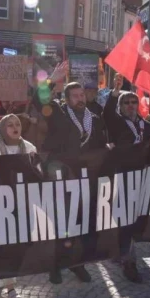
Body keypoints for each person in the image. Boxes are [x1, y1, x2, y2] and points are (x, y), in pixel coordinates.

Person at [42, 82, 107, 284]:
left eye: (82, 95)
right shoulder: (58, 114)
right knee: (60, 219)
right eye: (75, 96)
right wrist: (50, 81)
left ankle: (77, 263)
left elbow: (98, 146)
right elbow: (39, 99)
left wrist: (107, 149)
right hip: (61, 174)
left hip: (84, 177)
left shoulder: (94, 119)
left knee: (81, 220)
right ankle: (54, 266)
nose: (80, 98)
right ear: (67, 98)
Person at [102, 77, 150, 282]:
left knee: (139, 217)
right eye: (126, 102)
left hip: (143, 177)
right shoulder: (117, 123)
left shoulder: (148, 126)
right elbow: (107, 113)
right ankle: (129, 262)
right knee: (125, 218)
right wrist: (115, 92)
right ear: (120, 106)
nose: (130, 105)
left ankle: (141, 243)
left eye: (133, 102)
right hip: (123, 176)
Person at [0, 114, 38, 298]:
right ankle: (11, 288)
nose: (15, 127)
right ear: (2, 129)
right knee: (4, 244)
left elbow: (38, 174)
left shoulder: (30, 147)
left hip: (23, 204)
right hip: (1, 204)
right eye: (10, 125)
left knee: (21, 246)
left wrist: (34, 163)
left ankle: (2, 276)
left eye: (17, 124)